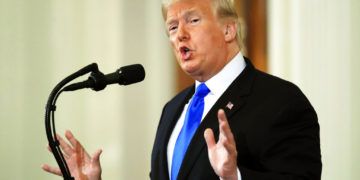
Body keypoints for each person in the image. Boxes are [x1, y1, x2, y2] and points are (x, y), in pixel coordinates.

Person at [42, 0, 322, 179]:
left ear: (228, 30)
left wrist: (234, 176)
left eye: (193, 20)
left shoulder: (281, 101)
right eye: (172, 27)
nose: (180, 35)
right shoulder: (174, 109)